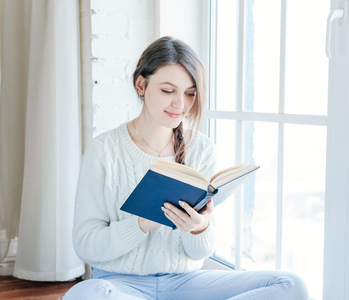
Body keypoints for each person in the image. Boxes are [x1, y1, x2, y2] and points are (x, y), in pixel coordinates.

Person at [63, 36, 309, 300]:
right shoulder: (104, 150)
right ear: (141, 85)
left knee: (290, 284)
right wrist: (143, 223)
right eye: (168, 91)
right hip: (119, 285)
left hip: (186, 284)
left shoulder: (202, 150)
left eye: (190, 94)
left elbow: (199, 253)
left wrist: (199, 227)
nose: (180, 104)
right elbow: (86, 245)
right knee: (86, 295)